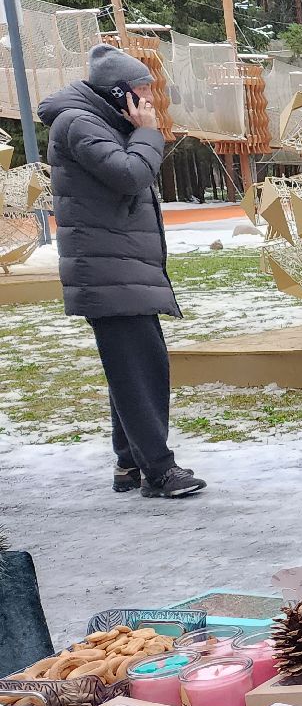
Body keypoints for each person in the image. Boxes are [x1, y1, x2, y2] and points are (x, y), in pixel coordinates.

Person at [41, 44, 205, 498]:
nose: (150, 100)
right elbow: (131, 175)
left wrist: (139, 132)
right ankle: (160, 471)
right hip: (107, 269)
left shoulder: (99, 122)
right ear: (119, 94)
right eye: (142, 91)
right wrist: (149, 134)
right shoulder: (78, 123)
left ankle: (129, 464)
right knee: (141, 371)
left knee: (130, 369)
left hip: (118, 267)